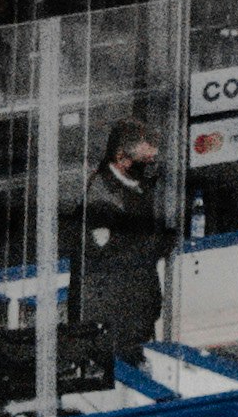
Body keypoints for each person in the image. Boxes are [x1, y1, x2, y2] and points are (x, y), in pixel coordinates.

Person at [69, 122, 174, 370]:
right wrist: (156, 240)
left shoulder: (144, 187)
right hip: (110, 320)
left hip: (139, 311)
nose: (151, 165)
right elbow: (118, 254)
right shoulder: (100, 195)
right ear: (121, 158)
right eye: (145, 159)